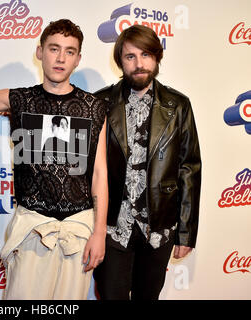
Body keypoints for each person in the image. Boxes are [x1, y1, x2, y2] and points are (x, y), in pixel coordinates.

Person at [0, 19, 108, 300]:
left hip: (79, 229)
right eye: (54, 48)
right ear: (39, 52)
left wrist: (100, 234)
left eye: (69, 51)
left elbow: (100, 175)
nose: (60, 57)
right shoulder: (19, 99)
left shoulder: (95, 108)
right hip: (31, 226)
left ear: (78, 58)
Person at [93, 25, 201, 300]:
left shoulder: (178, 105)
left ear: (157, 57)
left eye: (145, 55)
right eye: (130, 57)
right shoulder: (101, 102)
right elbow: (89, 169)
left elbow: (189, 168)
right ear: (120, 61)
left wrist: (186, 233)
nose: (139, 64)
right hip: (113, 227)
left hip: (159, 228)